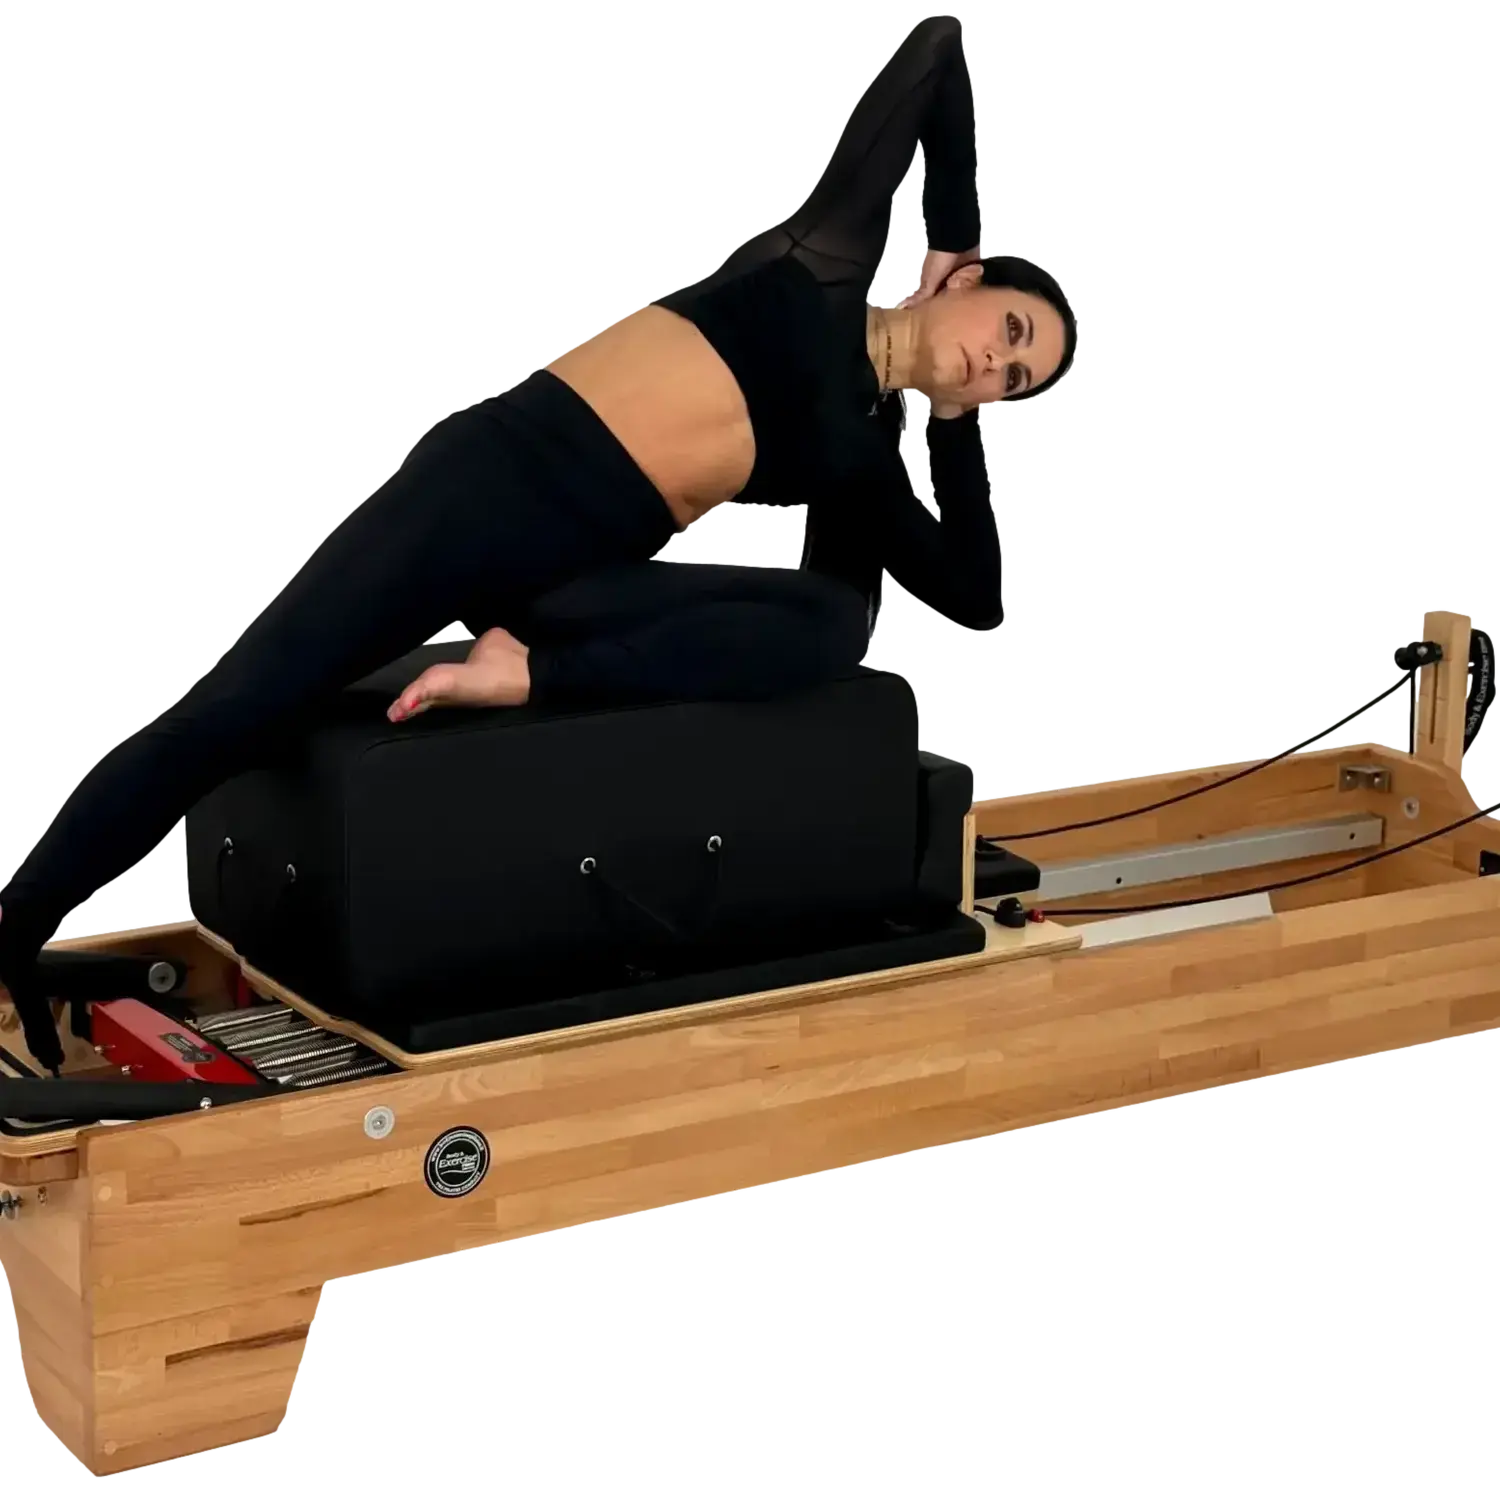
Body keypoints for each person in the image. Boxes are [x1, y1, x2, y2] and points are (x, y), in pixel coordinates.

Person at [0, 10, 1077, 1071]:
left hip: (575, 582)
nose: (998, 365)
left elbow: (970, 594)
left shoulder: (861, 465)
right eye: (1010, 335)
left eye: (1017, 381)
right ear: (969, 287)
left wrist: (957, 425)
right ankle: (24, 918)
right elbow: (937, 46)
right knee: (250, 698)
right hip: (487, 491)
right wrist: (953, 230)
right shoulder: (817, 261)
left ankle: (527, 670)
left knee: (834, 626)